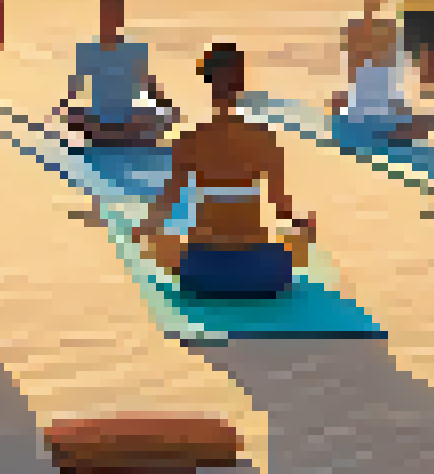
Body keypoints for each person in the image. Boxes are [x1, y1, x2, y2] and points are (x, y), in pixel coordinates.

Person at [131, 43, 316, 297]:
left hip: (201, 271)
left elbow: (167, 202)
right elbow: (281, 206)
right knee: (299, 238)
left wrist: (144, 228)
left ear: (208, 82)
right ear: (241, 83)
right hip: (259, 272)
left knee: (156, 242)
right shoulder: (265, 139)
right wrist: (304, 224)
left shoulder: (189, 140)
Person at [326, 0, 432, 144]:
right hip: (378, 107)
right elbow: (357, 71)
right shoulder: (387, 30)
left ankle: (379, 131)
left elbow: (353, 72)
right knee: (415, 123)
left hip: (370, 107)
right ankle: (386, 132)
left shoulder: (361, 29)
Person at [60, 0, 180, 146]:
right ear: (101, 16)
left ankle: (118, 133)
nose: (110, 20)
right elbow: (74, 89)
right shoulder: (88, 51)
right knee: (77, 118)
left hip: (128, 119)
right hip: (101, 119)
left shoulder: (134, 51)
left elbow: (148, 84)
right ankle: (114, 134)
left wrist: (166, 108)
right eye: (107, 14)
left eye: (114, 14)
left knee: (156, 115)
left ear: (120, 19)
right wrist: (67, 111)